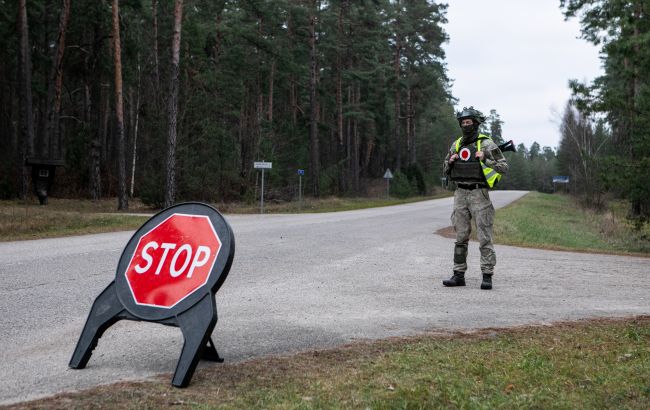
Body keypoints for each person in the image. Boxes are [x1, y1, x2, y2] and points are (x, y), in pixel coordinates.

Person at [442, 107, 509, 289]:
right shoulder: (456, 145)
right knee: (460, 236)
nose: (465, 125)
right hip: (460, 194)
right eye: (463, 122)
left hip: (479, 194)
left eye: (468, 122)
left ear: (476, 123)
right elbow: (444, 169)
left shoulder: (487, 144)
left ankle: (487, 275)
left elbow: (503, 167)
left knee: (484, 236)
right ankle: (458, 274)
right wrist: (450, 161)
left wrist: (485, 158)